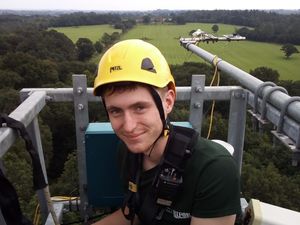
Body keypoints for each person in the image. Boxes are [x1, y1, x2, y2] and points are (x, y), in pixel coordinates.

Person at [92, 39, 241, 225]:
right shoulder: (127, 153)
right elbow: (136, 213)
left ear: (168, 102)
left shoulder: (213, 170)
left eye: (139, 108)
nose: (128, 126)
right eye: (115, 111)